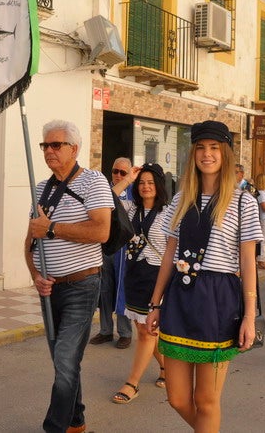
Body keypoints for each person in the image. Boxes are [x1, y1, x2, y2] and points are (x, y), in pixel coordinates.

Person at [145, 120, 262, 431]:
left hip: (219, 298)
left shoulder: (242, 202)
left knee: (207, 400)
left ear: (225, 154)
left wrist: (249, 317)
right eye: (200, 148)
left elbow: (248, 263)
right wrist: (154, 303)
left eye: (213, 148)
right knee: (177, 398)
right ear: (193, 154)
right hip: (180, 297)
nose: (206, 154)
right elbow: (169, 254)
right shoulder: (180, 199)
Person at [24, 120, 113, 433]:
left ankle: (55, 427)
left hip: (82, 285)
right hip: (50, 289)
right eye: (45, 145)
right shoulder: (40, 188)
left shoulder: (94, 182)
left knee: (64, 359)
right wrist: (36, 274)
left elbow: (101, 231)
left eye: (56, 145)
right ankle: (76, 421)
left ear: (74, 149)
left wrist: (52, 228)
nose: (49, 151)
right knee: (64, 362)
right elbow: (30, 241)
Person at [111, 163, 168, 404]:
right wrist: (128, 179)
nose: (145, 186)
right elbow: (107, 197)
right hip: (134, 274)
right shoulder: (130, 208)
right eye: (142, 182)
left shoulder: (168, 213)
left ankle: (132, 383)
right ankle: (166, 368)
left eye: (150, 182)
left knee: (147, 332)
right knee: (143, 329)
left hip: (156, 277)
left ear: (159, 186)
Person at [89, 157, 134, 348]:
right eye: (115, 171)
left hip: (125, 249)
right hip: (105, 248)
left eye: (123, 173)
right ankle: (106, 330)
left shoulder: (134, 192)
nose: (118, 175)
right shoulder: (104, 190)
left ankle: (125, 333)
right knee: (105, 290)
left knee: (122, 290)